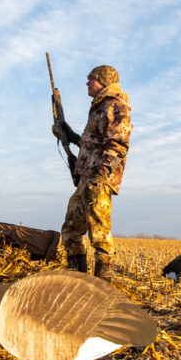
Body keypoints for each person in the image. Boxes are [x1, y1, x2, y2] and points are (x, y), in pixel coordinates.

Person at [54, 65, 132, 280]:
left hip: (98, 180)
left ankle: (102, 288)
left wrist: (100, 177)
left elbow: (118, 145)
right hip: (85, 179)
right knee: (70, 231)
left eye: (92, 79)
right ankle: (79, 281)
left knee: (99, 234)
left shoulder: (115, 106)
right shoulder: (98, 107)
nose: (87, 83)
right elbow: (93, 146)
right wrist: (70, 136)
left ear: (104, 81)